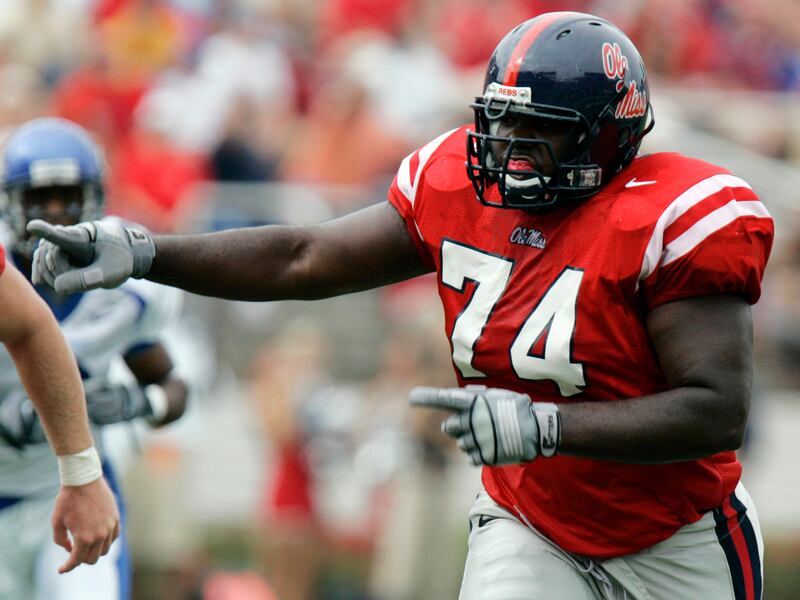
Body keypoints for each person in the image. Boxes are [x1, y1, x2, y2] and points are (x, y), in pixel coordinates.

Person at [29, 12, 773, 600]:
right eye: (501, 122)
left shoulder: (674, 216)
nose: (509, 147)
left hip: (676, 535)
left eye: (538, 130)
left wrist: (550, 426)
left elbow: (715, 406)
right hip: (533, 524)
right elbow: (304, 256)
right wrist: (150, 251)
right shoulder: (455, 185)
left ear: (607, 139)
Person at [0, 117, 189, 600]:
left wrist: (134, 405)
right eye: (41, 198)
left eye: (68, 196)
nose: (56, 214)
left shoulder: (120, 286)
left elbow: (173, 386)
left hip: (71, 491)